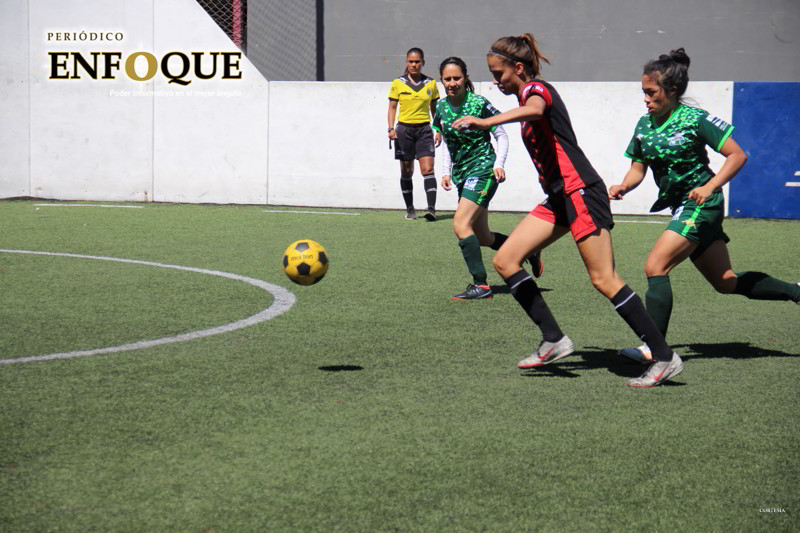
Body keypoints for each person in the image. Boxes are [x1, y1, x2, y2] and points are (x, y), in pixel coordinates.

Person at [452, 33, 683, 387]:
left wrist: (486, 122)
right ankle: (554, 339)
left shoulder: (536, 91)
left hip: (581, 192)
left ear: (518, 67)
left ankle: (664, 356)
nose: (495, 80)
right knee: (505, 260)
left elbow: (536, 109)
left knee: (604, 279)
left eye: (498, 73)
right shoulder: (522, 95)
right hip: (560, 197)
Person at [608, 48, 800, 363]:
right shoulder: (644, 125)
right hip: (683, 206)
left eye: (651, 92)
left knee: (656, 266)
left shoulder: (695, 119)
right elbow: (637, 169)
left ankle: (655, 349)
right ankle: (796, 292)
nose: (645, 98)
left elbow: (738, 155)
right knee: (726, 281)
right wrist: (623, 186)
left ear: (671, 90)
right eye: (643, 92)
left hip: (702, 203)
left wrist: (710, 185)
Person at [432, 57, 542, 301]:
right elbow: (448, 142)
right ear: (441, 80)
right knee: (483, 238)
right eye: (447, 79)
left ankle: (481, 285)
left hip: (482, 170)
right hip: (462, 175)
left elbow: (501, 134)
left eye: (456, 78)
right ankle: (529, 251)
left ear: (465, 77)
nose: (452, 83)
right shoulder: (440, 108)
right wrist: (446, 171)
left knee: (460, 224)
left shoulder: (479, 103)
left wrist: (498, 164)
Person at [388, 47, 441, 221]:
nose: (414, 64)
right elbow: (393, 107)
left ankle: (431, 209)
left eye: (417, 61)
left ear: (423, 62)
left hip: (424, 130)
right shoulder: (398, 83)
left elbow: (435, 109)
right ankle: (410, 208)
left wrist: (438, 129)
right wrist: (391, 128)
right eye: (411, 61)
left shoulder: (431, 84)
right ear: (407, 62)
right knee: (407, 171)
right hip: (404, 131)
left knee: (428, 169)